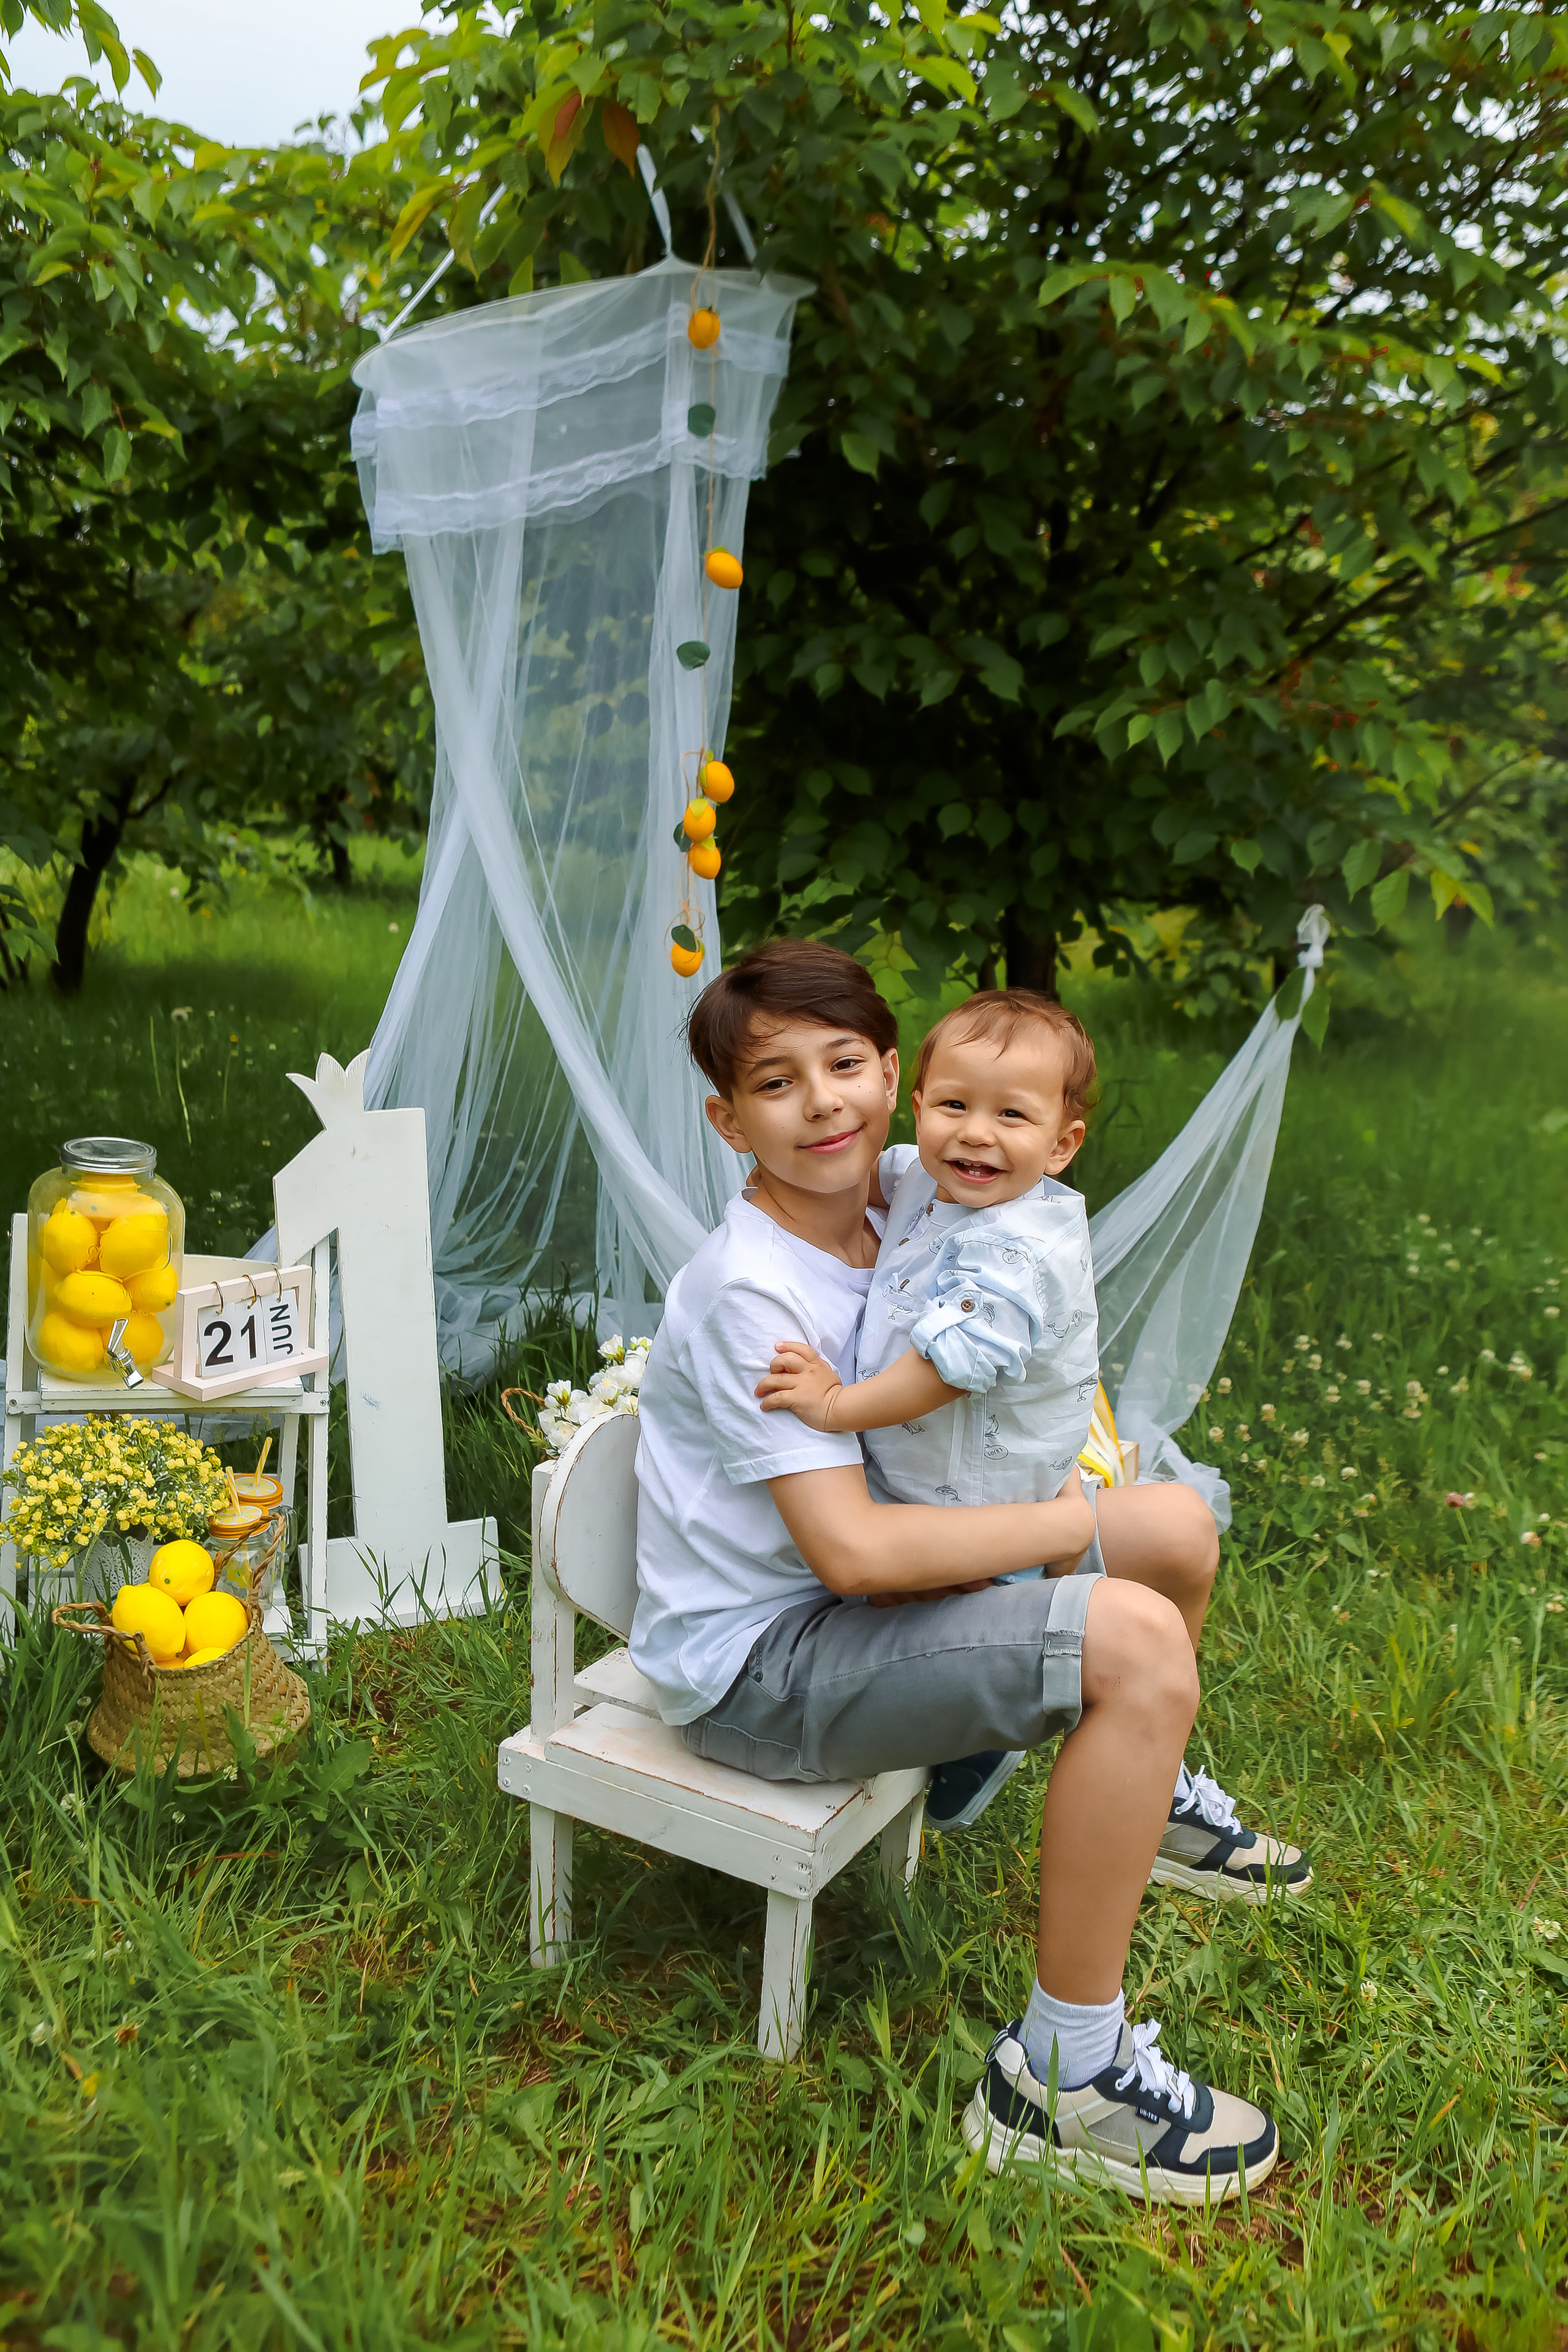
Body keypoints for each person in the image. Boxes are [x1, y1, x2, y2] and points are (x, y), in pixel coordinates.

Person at [628, 940, 1280, 2200]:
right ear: (726, 1119)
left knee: (1173, 1532)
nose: (821, 1104)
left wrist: (1074, 1500)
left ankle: (1143, 1801)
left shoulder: (903, 1189)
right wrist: (1054, 1523)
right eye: (774, 1083)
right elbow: (855, 1555)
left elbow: (1016, 1200)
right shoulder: (746, 1295)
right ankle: (1059, 2078)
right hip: (768, 1665)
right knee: (1133, 1641)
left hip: (868, 1605)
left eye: (847, 1064)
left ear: (892, 1074)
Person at [753, 987, 1312, 1901]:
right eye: (956, 1106)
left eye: (1012, 1116)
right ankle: (1093, 1757)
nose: (977, 1135)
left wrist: (836, 1406)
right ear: (919, 1104)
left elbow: (949, 1368)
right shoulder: (927, 1181)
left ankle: (991, 1746)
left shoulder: (1015, 1249)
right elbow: (877, 1169)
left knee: (1017, 1585)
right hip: (959, 1491)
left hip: (978, 1505)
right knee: (1131, 1539)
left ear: (1062, 1145)